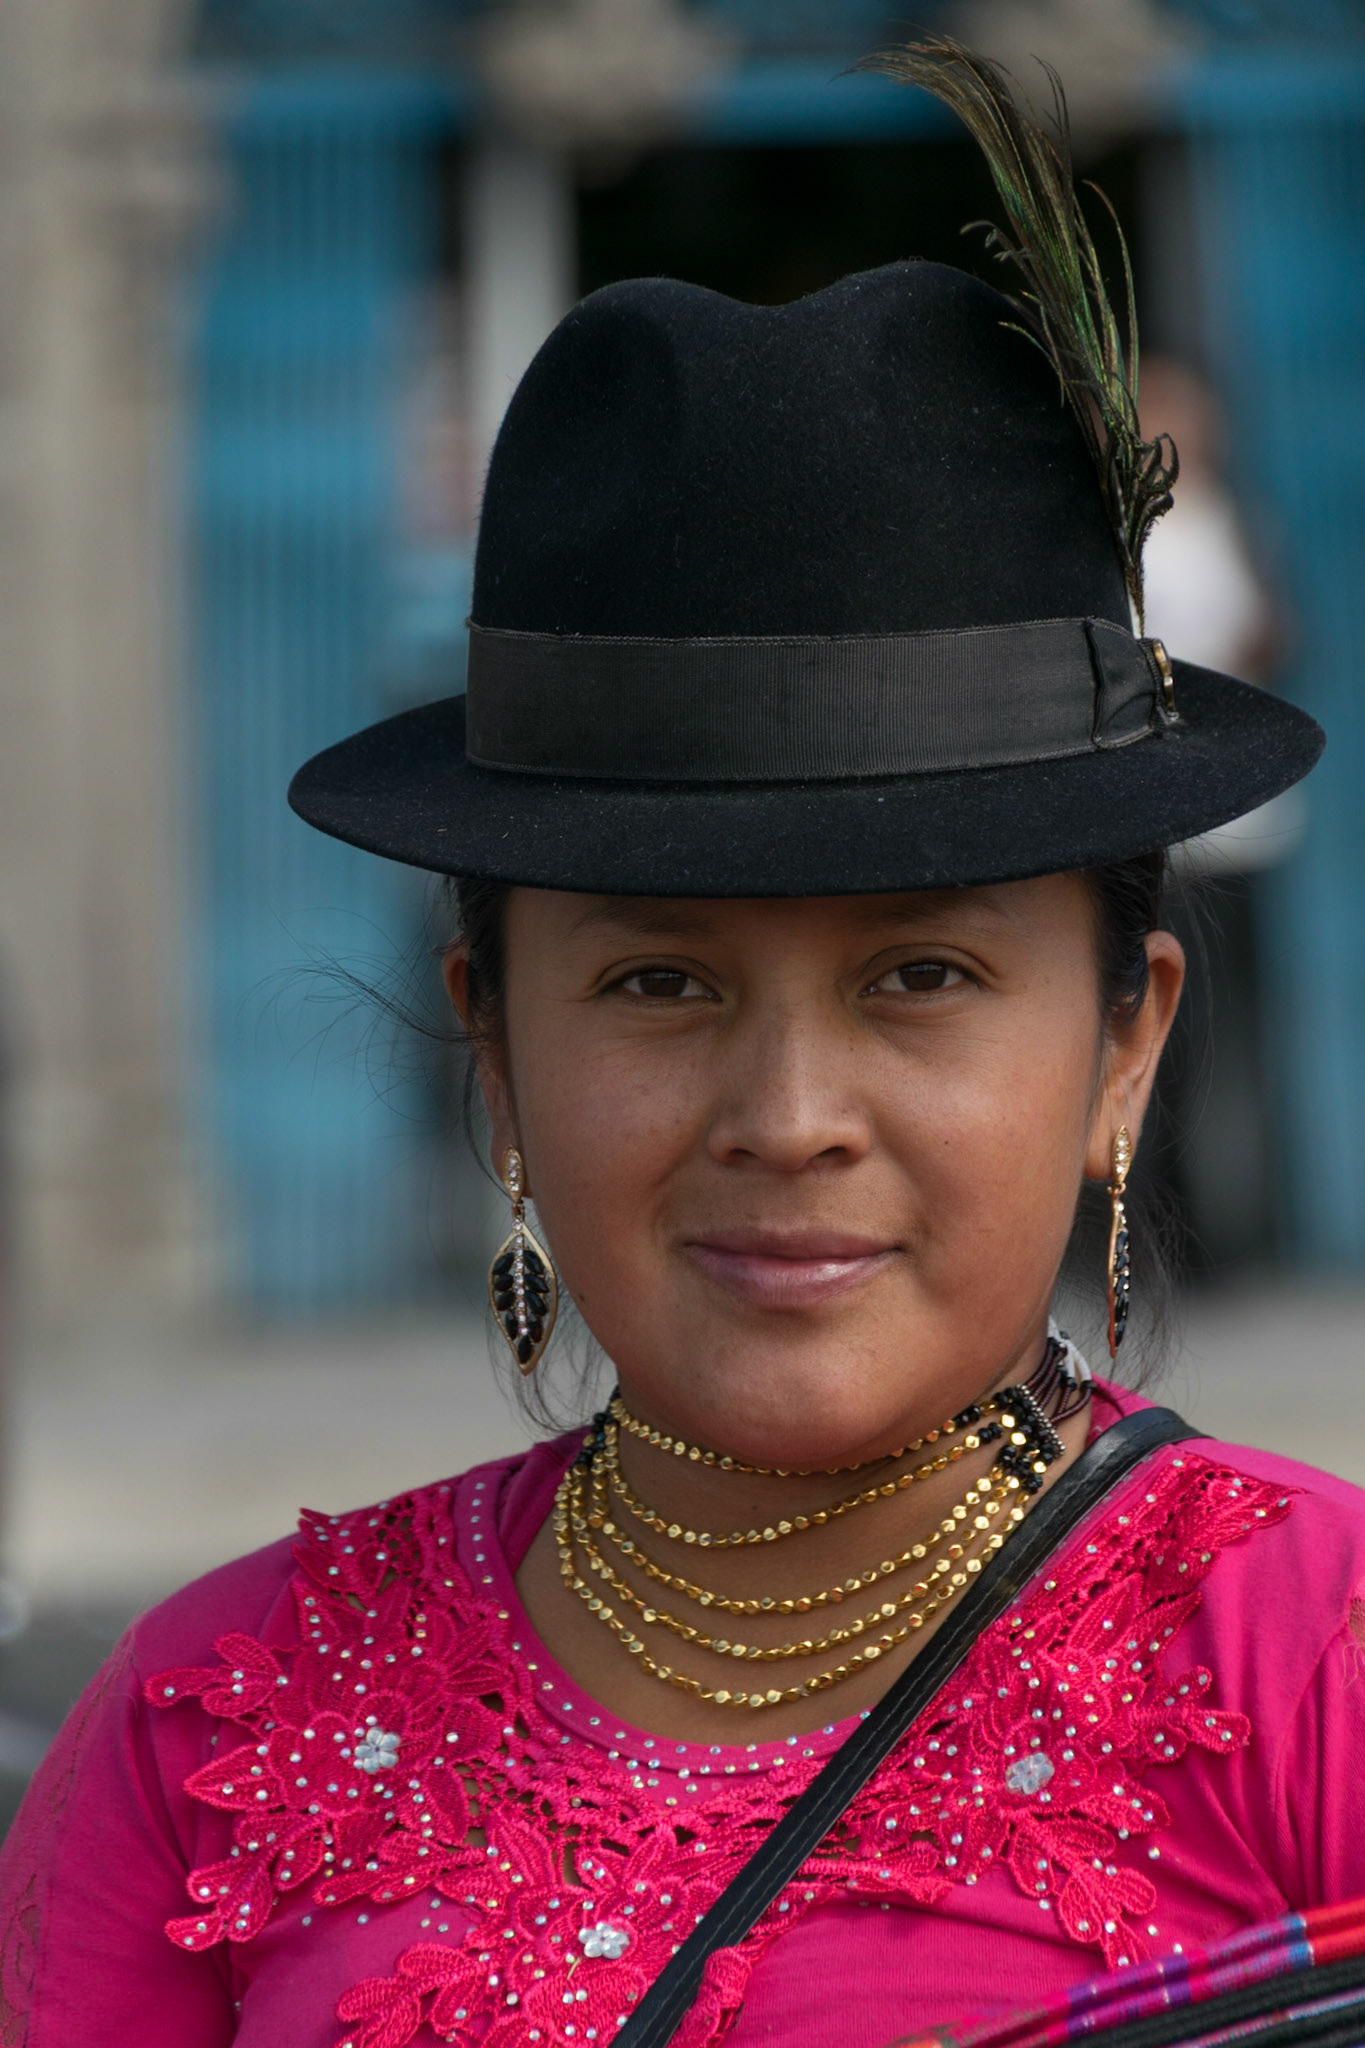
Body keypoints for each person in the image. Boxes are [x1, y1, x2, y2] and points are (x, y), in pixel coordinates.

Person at [0, 41, 1358, 2048]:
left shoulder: (1312, 1671)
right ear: (493, 1053)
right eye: (658, 984)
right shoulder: (209, 1731)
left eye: (919, 978)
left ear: (1120, 1047)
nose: (788, 1117)